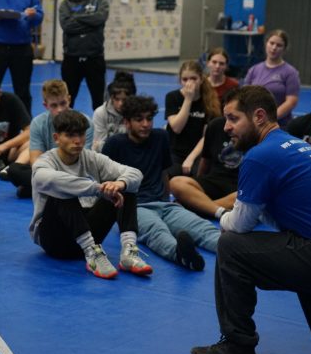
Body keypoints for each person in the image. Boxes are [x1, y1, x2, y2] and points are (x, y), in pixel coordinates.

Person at [191, 86, 311, 354]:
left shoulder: (260, 156)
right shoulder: (299, 146)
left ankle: (237, 345)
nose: (226, 127)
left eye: (233, 118)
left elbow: (239, 225)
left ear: (259, 116)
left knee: (230, 246)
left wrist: (219, 215)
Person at [29, 109, 152, 279]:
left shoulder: (92, 158)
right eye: (70, 135)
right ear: (56, 138)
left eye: (80, 134)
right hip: (54, 240)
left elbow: (135, 173)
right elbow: (47, 179)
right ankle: (92, 255)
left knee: (125, 187)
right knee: (62, 190)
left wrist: (118, 184)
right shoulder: (45, 162)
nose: (78, 141)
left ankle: (128, 252)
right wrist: (98, 189)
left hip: (86, 232)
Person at [103, 96, 220, 270]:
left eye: (149, 119)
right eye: (139, 119)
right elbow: (105, 184)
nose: (145, 124)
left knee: (201, 226)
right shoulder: (114, 144)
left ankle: (233, 248)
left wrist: (168, 202)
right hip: (134, 208)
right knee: (157, 232)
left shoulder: (160, 137)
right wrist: (119, 214)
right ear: (127, 122)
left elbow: (164, 171)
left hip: (163, 204)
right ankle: (181, 255)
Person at [6, 79, 93, 198]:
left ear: (69, 99)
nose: (60, 110)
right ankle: (54, 190)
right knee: (14, 170)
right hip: (49, 172)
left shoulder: (85, 122)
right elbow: (35, 161)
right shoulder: (38, 123)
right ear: (45, 105)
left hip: (73, 173)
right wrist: (49, 175)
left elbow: (83, 161)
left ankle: (41, 189)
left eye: (63, 103)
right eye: (54, 105)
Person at [169, 114, 242, 219]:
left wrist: (194, 201)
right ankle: (217, 211)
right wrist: (196, 184)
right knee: (176, 182)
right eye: (227, 117)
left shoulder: (256, 132)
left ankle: (200, 207)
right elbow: (205, 160)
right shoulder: (216, 125)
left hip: (238, 188)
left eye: (233, 118)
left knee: (248, 194)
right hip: (213, 182)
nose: (227, 126)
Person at [59, 0, 109, 110]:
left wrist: (76, 17)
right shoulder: (65, 5)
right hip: (71, 59)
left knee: (99, 102)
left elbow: (100, 18)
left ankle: (101, 132)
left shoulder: (99, 1)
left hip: (95, 58)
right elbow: (67, 26)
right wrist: (90, 23)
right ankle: (66, 131)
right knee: (67, 101)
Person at [165, 60, 221, 177]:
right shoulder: (172, 97)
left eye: (193, 79)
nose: (189, 83)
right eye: (185, 79)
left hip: (198, 153)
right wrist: (188, 99)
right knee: (166, 175)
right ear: (180, 80)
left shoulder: (210, 101)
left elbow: (207, 136)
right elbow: (176, 128)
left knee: (199, 177)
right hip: (174, 152)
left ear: (201, 79)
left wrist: (191, 158)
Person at [244, 29, 300, 127]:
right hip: (254, 123)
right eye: (272, 43)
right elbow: (243, 96)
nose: (274, 48)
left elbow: (291, 102)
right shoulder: (254, 70)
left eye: (279, 45)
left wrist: (270, 119)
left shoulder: (290, 72)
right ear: (266, 44)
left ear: (284, 48)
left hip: (279, 124)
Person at [92, 71, 136, 152]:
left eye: (124, 100)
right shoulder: (100, 113)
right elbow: (99, 148)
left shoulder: (136, 112)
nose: (120, 104)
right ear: (111, 97)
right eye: (117, 99)